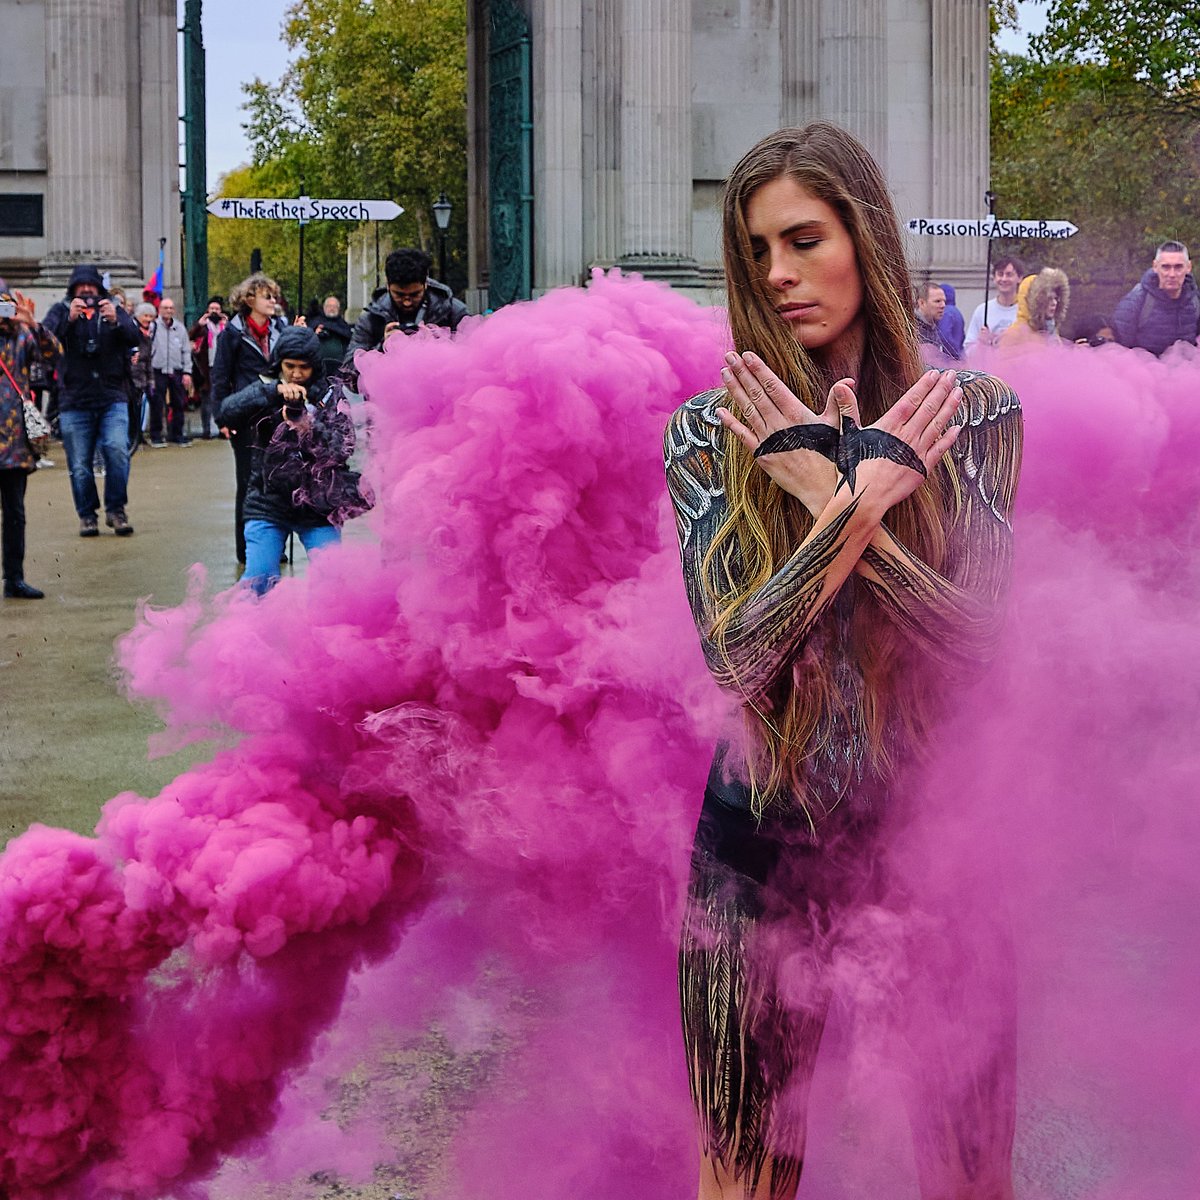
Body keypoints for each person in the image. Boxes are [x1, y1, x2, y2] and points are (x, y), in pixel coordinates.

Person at [663, 123, 1023, 1199]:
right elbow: (735, 661)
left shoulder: (976, 417)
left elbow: (979, 645)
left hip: (940, 851)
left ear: (865, 240)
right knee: (745, 1184)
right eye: (757, 250)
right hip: (757, 858)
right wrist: (852, 505)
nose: (778, 274)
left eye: (804, 240)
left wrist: (840, 501)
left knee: (970, 1178)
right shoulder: (706, 433)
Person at [216, 326, 371, 594]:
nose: (296, 374)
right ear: (279, 364)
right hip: (268, 502)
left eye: (304, 367)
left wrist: (310, 428)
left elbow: (344, 448)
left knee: (332, 582)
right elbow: (225, 412)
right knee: (259, 579)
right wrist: (272, 393)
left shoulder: (329, 396)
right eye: (289, 366)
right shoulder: (265, 389)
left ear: (315, 367)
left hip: (317, 506)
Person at [42, 264, 141, 536]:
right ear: (73, 289)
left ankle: (116, 510)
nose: (87, 291)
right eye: (81, 286)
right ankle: (87, 515)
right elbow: (44, 343)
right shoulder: (60, 311)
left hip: (112, 396)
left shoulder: (113, 309)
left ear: (100, 288)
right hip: (75, 399)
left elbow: (136, 338)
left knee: (117, 451)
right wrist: (68, 322)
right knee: (80, 465)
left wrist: (117, 320)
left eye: (92, 286)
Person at [210, 273, 288, 566]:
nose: (273, 301)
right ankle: (246, 548)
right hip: (245, 417)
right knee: (248, 483)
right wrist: (222, 417)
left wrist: (300, 336)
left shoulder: (282, 328)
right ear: (249, 300)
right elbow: (220, 378)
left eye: (274, 296)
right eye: (267, 296)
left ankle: (275, 544)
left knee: (278, 480)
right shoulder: (231, 334)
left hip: (276, 415)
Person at [0, 289, 60, 597]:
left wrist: (33, 324)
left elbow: (55, 356)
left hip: (14, 446)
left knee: (15, 514)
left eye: (4, 304)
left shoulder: (21, 337)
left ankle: (14, 578)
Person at [343, 248, 468, 385]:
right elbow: (348, 376)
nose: (407, 302)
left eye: (415, 294)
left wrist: (437, 346)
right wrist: (382, 348)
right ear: (388, 286)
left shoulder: (453, 311)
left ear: (425, 284)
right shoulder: (371, 318)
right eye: (399, 295)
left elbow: (472, 363)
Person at [1111, 240, 1200, 356]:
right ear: (1155, 267)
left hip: (1185, 368)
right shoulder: (1136, 301)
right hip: (1142, 370)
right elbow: (1119, 349)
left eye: (1178, 267)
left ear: (1188, 267)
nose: (1172, 274)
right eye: (1165, 267)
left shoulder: (1195, 301)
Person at [149, 297, 193, 446]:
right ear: (159, 310)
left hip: (176, 370)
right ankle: (156, 435)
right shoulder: (153, 327)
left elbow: (186, 351)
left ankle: (177, 434)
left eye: (171, 308)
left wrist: (187, 372)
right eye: (165, 308)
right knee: (157, 403)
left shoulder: (180, 328)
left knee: (179, 403)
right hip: (158, 370)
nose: (168, 311)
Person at [998, 268, 1069, 351]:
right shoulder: (1014, 335)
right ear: (1034, 301)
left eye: (1056, 298)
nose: (1054, 303)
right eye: (1049, 298)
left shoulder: (1052, 332)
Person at [963, 255, 1023, 352]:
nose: (1004, 279)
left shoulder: (1027, 311)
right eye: (1000, 274)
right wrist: (980, 343)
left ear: (1020, 278)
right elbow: (967, 351)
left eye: (1009, 274)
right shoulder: (982, 311)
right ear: (994, 278)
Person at [188, 296, 228, 440]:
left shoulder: (226, 327)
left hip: (222, 368)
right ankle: (206, 430)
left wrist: (228, 324)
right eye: (211, 309)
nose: (214, 312)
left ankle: (223, 430)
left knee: (223, 400)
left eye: (217, 309)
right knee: (206, 400)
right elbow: (190, 336)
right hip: (206, 368)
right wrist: (199, 324)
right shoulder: (203, 327)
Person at [130, 302, 157, 449]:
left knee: (141, 411)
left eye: (151, 317)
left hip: (142, 379)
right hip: (130, 377)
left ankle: (138, 437)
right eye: (145, 316)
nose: (148, 320)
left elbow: (148, 361)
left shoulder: (148, 337)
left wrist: (151, 381)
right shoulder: (132, 332)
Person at [913, 281, 959, 361]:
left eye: (944, 301)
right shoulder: (912, 328)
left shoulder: (933, 325)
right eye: (937, 301)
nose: (943, 305)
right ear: (922, 303)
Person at [312, 295, 353, 373]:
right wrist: (315, 333)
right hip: (318, 365)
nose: (332, 309)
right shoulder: (316, 323)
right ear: (324, 308)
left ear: (338, 309)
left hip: (339, 365)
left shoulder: (343, 325)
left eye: (334, 306)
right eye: (329, 306)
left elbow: (348, 337)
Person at [937, 281, 965, 359]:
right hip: (959, 354)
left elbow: (944, 335)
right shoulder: (957, 312)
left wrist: (953, 353)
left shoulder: (946, 313)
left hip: (950, 358)